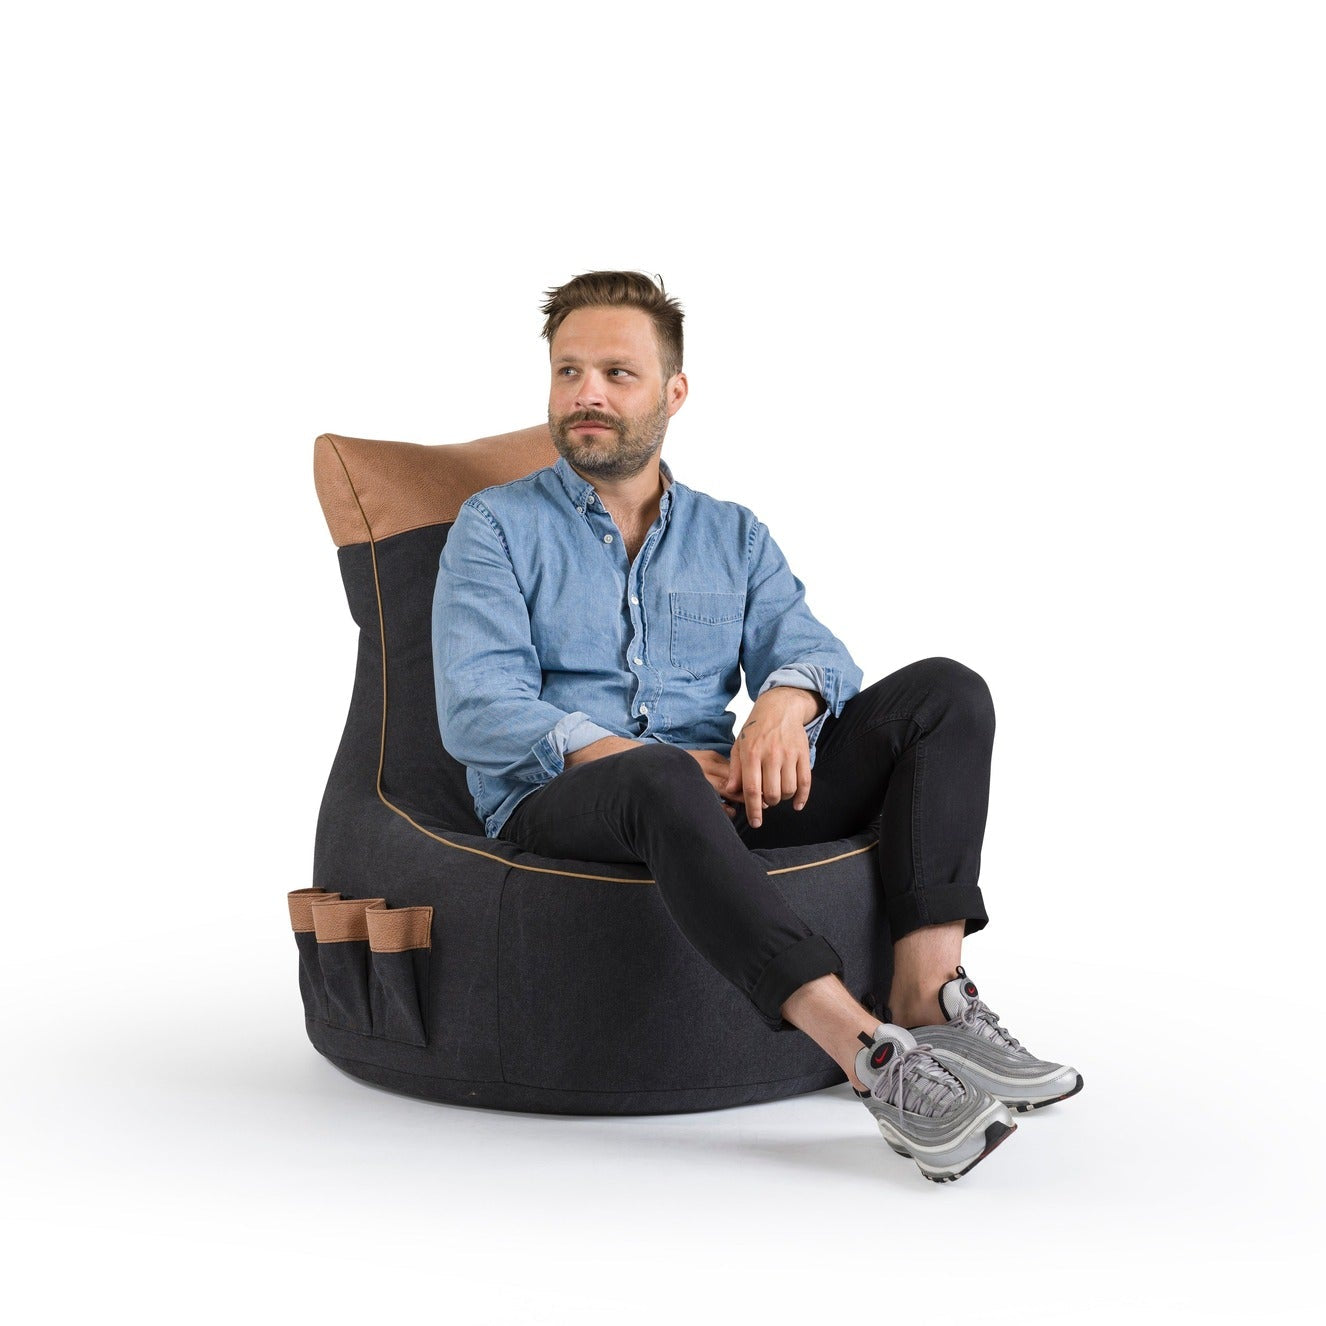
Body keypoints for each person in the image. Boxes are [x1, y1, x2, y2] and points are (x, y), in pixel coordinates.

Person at [431, 270, 1081, 1182]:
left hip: (714, 799)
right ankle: (870, 1056)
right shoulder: (493, 527)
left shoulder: (731, 534)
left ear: (673, 392)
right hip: (561, 802)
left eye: (618, 373)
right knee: (658, 774)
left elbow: (815, 649)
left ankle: (928, 1000)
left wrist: (785, 702)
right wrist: (643, 760)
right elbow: (477, 706)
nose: (586, 394)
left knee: (946, 693)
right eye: (568, 371)